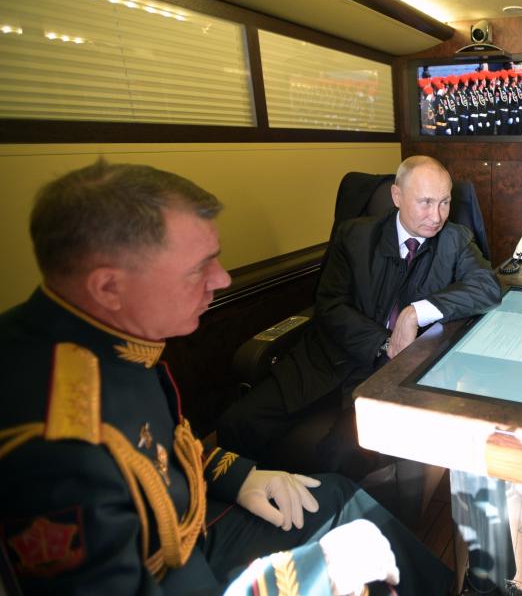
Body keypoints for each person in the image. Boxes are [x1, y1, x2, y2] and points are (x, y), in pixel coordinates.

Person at [0, 160, 452, 595]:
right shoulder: (55, 439)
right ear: (109, 287)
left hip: (190, 526)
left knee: (335, 496)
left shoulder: (108, 340)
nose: (221, 279)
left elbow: (160, 453)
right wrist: (310, 577)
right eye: (199, 267)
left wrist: (242, 477)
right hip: (178, 571)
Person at [217, 156, 501, 481]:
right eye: (425, 203)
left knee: (341, 454)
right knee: (237, 424)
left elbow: (487, 287)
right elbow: (329, 304)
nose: (436, 216)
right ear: (397, 197)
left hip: (390, 374)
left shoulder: (455, 239)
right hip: (327, 358)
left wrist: (415, 312)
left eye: (445, 203)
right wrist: (382, 341)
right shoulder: (354, 235)